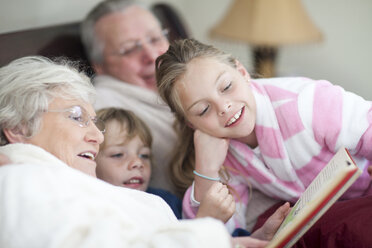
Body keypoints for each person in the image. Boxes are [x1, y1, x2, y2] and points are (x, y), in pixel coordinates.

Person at [0, 56, 290, 248]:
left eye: (94, 122)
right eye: (76, 117)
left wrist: (245, 240)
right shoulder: (17, 182)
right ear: (18, 127)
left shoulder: (79, 186)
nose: (97, 136)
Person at [155, 39, 372, 236]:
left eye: (227, 87)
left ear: (242, 71)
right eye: (203, 110)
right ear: (191, 124)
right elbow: (211, 231)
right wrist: (206, 171)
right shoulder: (221, 153)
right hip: (326, 210)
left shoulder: (307, 102)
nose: (224, 107)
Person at [80, 0, 177, 193]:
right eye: (129, 50)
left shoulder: (192, 76)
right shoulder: (100, 109)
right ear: (99, 66)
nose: (151, 56)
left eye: (155, 39)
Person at [95, 107, 183, 218]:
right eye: (118, 155)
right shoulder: (88, 207)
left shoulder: (167, 202)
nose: (138, 162)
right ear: (90, 162)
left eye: (144, 155)